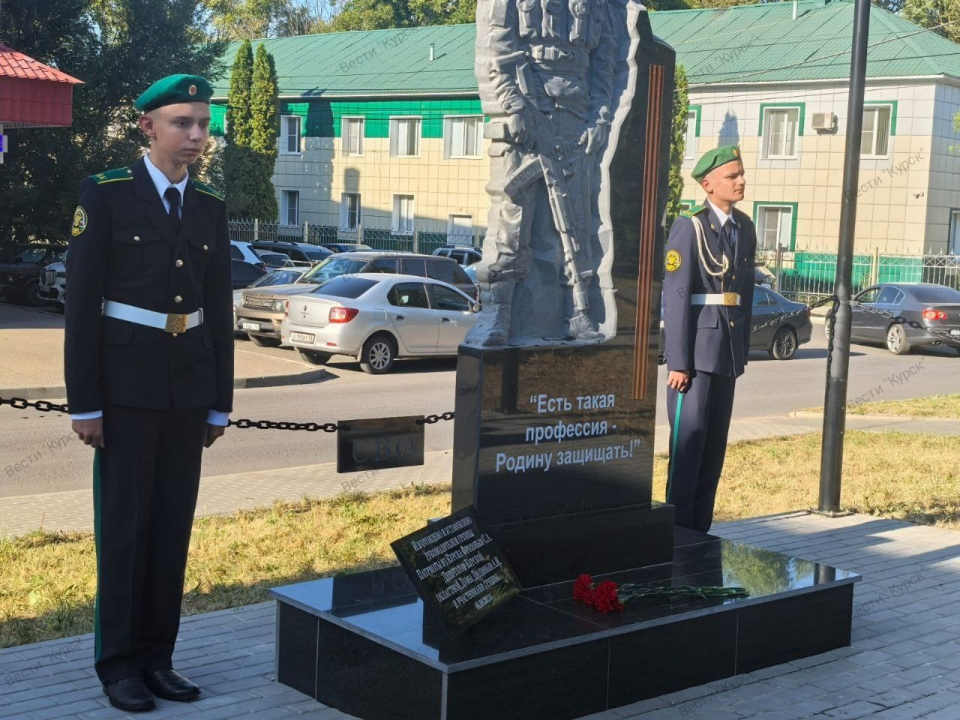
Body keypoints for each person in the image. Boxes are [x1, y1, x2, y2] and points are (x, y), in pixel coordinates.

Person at [64, 74, 233, 712]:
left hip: (188, 388)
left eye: (202, 124)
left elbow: (219, 308)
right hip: (126, 389)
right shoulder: (106, 195)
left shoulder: (210, 205)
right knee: (127, 531)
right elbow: (81, 307)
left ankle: (160, 659)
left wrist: (221, 400)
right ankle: (119, 666)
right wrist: (85, 403)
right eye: (181, 123)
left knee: (171, 530)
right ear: (148, 127)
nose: (195, 136)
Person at [468, 0, 616, 345]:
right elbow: (496, 48)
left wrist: (600, 117)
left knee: (577, 221)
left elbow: (604, 65)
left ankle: (577, 311)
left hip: (577, 120)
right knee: (513, 216)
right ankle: (500, 313)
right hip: (527, 113)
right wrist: (515, 106)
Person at [661, 145, 756, 533]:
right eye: (732, 176)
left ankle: (700, 531)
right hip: (696, 357)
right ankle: (677, 534)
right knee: (689, 447)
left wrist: (741, 353)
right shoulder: (691, 226)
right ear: (707, 183)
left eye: (741, 173)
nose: (740, 181)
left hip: (727, 354)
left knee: (714, 447)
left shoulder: (744, 227)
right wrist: (678, 362)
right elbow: (676, 295)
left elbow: (743, 294)